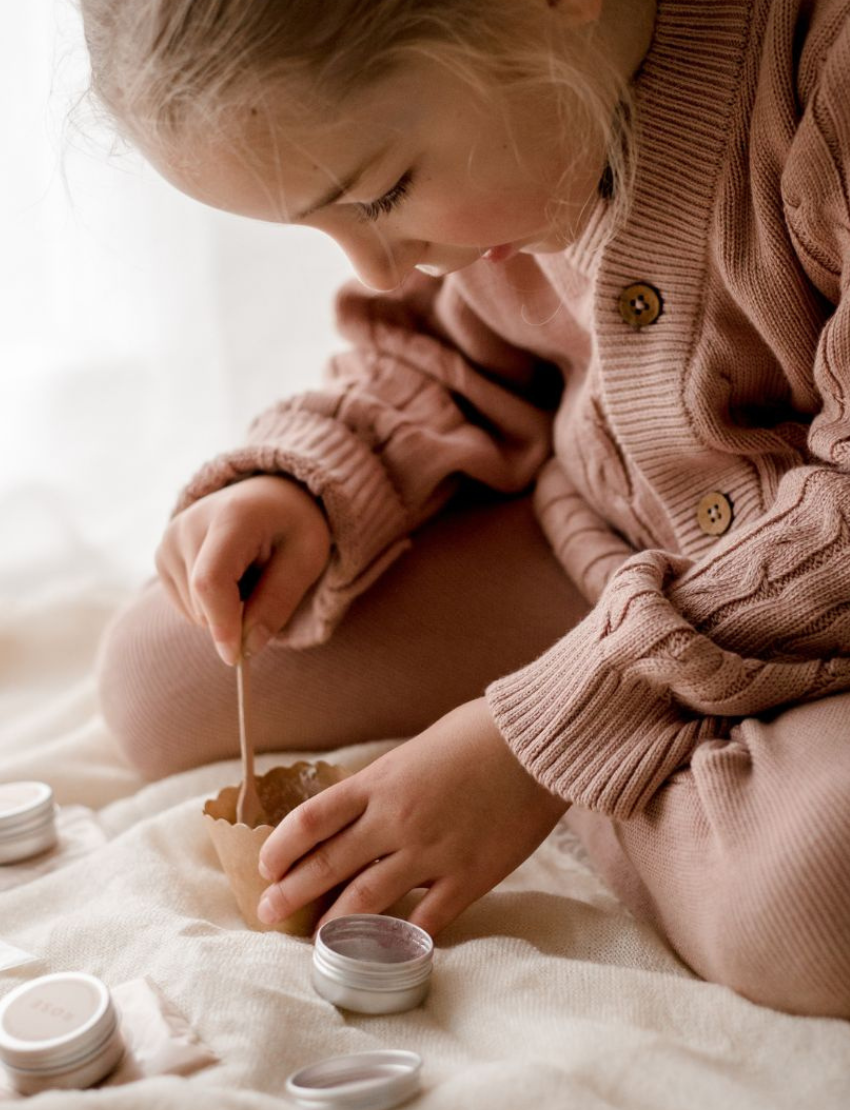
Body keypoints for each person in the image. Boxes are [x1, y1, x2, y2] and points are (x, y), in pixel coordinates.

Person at [83, 0, 850, 1019]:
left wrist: (537, 741)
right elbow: (439, 353)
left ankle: (617, 742)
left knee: (809, 900)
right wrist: (307, 481)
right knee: (161, 671)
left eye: (385, 193)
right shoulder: (520, 128)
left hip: (821, 598)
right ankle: (639, 728)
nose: (380, 265)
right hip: (605, 548)